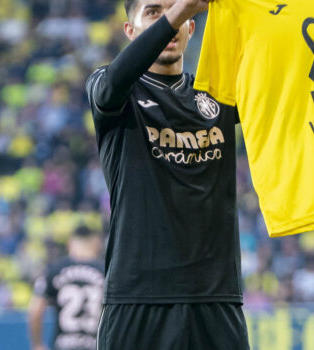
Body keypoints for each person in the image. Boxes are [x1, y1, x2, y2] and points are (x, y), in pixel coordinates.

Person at [85, 0, 248, 348]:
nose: (169, 22)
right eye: (153, 12)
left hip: (215, 298)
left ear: (192, 28)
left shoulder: (219, 97)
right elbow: (116, 79)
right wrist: (180, 10)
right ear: (131, 31)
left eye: (178, 13)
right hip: (138, 298)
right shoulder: (114, 89)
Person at [28, 226, 104, 350]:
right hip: (95, 345)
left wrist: (37, 345)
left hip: (63, 344)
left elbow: (35, 311)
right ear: (96, 243)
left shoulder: (54, 269)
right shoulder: (105, 272)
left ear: (70, 243)